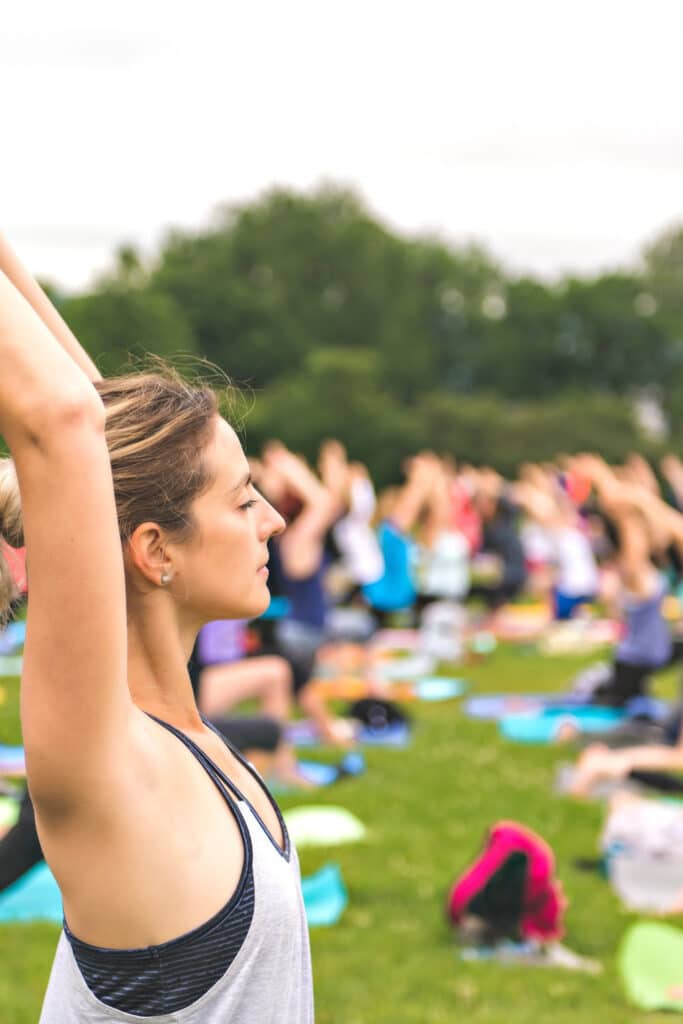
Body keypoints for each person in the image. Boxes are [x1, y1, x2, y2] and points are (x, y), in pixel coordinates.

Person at [0, 233, 314, 1022]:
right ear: (154, 551)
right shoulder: (110, 765)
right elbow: (64, 418)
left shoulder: (179, 743)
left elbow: (98, 423)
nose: (273, 519)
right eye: (244, 500)